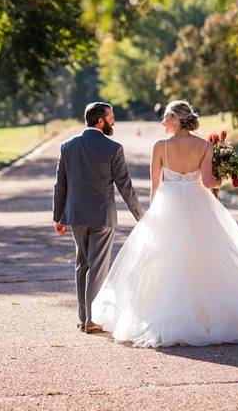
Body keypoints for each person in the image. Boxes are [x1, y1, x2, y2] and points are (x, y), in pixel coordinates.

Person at [90, 100, 238, 347]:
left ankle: (173, 318)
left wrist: (153, 215)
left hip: (168, 206)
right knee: (208, 257)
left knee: (168, 260)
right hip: (199, 204)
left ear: (176, 120)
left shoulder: (160, 146)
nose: (162, 122)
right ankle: (209, 317)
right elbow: (209, 182)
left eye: (165, 118)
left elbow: (155, 186)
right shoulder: (204, 145)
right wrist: (222, 174)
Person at [53, 101, 145, 334]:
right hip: (102, 216)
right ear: (100, 120)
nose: (114, 120)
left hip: (75, 216)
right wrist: (141, 217)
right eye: (111, 116)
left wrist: (58, 217)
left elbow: (60, 184)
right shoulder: (113, 149)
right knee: (97, 268)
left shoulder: (68, 146)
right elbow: (126, 187)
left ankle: (84, 317)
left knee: (82, 264)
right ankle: (92, 319)